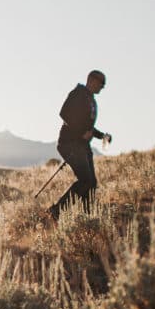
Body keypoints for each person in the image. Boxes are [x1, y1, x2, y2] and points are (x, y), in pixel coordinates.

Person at [48, 70, 112, 219]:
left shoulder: (90, 99)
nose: (102, 87)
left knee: (91, 182)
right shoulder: (78, 94)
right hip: (69, 143)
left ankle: (88, 216)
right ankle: (56, 211)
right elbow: (64, 113)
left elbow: (88, 127)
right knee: (86, 180)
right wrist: (80, 132)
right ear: (92, 80)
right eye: (101, 83)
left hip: (82, 145)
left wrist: (102, 136)